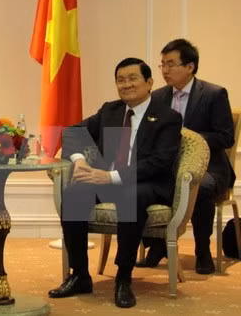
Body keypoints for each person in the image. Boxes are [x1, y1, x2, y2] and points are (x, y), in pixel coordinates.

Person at [48, 58, 182, 308]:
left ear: (149, 82)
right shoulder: (111, 110)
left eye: (132, 78)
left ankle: (123, 277)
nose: (126, 85)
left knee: (131, 198)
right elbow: (72, 132)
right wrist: (79, 161)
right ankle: (79, 275)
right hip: (106, 179)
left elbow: (159, 163)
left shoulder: (168, 117)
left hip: (145, 182)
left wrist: (110, 177)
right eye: (120, 80)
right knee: (75, 193)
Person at [137, 39, 235, 274]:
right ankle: (157, 245)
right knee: (145, 182)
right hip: (167, 166)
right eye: (162, 64)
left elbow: (225, 137)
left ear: (190, 67)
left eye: (171, 64)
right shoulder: (156, 96)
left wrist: (187, 138)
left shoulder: (214, 94)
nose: (165, 70)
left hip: (209, 167)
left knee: (196, 184)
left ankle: (203, 250)